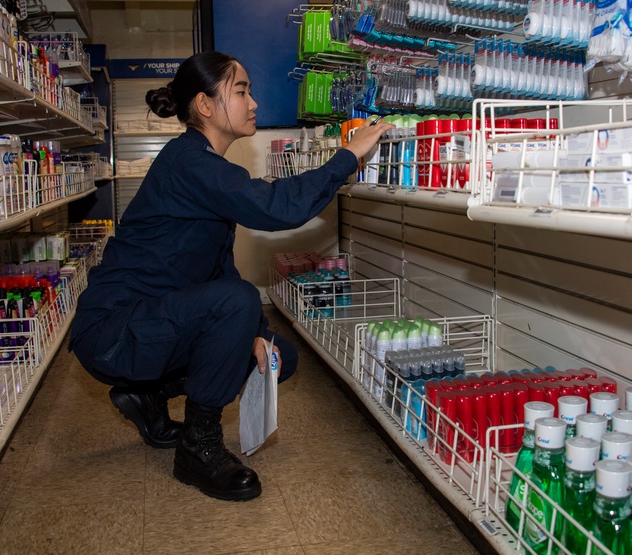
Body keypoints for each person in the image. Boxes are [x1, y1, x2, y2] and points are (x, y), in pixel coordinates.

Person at [68, 51, 392, 502]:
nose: (253, 101)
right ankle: (198, 447)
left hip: (151, 322)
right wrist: (347, 158)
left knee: (279, 357)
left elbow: (217, 266)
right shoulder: (190, 162)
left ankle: (148, 395)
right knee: (240, 300)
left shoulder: (200, 163)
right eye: (240, 91)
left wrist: (255, 335)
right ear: (205, 104)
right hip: (113, 331)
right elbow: (277, 208)